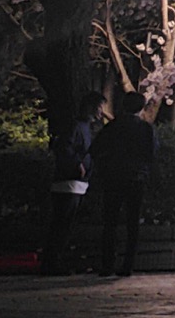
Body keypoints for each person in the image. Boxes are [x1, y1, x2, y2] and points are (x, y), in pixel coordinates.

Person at [92, 90, 159, 277]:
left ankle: (107, 265)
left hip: (113, 177)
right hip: (136, 178)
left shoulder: (113, 127)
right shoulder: (146, 129)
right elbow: (151, 154)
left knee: (110, 222)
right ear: (141, 107)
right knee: (132, 223)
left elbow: (96, 148)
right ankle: (128, 265)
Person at [41, 91, 105, 275]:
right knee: (62, 224)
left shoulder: (82, 127)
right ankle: (52, 264)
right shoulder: (77, 126)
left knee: (63, 224)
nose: (101, 111)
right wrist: (77, 164)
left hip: (75, 182)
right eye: (99, 107)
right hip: (69, 182)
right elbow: (64, 148)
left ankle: (53, 262)